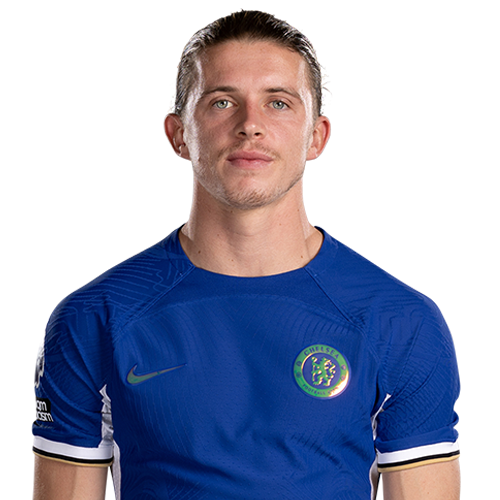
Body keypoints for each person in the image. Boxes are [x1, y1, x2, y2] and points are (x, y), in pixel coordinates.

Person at [32, 10, 461, 500]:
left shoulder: (401, 321)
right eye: (222, 102)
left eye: (278, 103)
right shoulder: (93, 318)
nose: (250, 125)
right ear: (178, 133)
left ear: (317, 136)